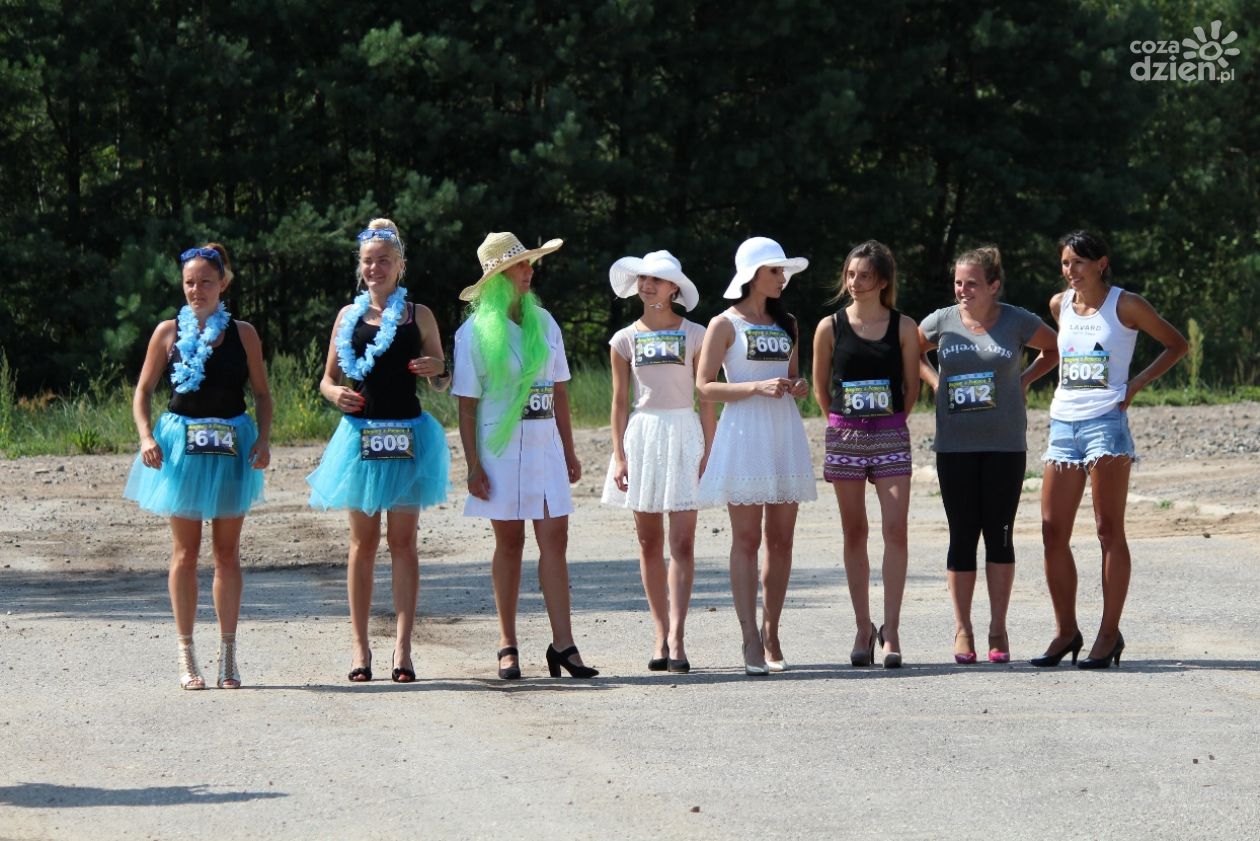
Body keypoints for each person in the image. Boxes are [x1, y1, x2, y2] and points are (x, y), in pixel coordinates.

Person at [1035, 230, 1187, 669]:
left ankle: (1108, 633)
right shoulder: (1059, 304)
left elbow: (1177, 344)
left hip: (1106, 424)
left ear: (1101, 263)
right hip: (1063, 425)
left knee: (1107, 530)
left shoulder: (1127, 304)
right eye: (1065, 263)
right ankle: (1066, 631)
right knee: (1051, 532)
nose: (1070, 271)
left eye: (1078, 263)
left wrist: (1136, 383)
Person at [307, 219, 451, 684]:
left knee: (403, 544)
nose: (375, 268)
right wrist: (335, 394)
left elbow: (443, 378)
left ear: (400, 265)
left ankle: (403, 648)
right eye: (368, 261)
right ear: (360, 266)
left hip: (408, 435)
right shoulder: (347, 317)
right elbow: (327, 380)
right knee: (362, 544)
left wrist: (437, 368)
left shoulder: (419, 315)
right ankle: (360, 646)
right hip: (360, 438)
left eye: (384, 260)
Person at [451, 231, 598, 680]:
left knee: (555, 540)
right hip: (499, 452)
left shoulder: (546, 323)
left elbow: (560, 391)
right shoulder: (473, 333)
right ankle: (507, 644)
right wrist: (472, 465)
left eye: (529, 263)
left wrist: (570, 450)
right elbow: (466, 403)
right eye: (517, 265)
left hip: (544, 447)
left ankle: (563, 644)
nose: (527, 271)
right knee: (509, 543)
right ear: (496, 277)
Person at [125, 242, 272, 690]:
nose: (196, 290)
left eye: (206, 281)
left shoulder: (244, 334)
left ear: (223, 283)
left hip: (231, 445)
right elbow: (142, 392)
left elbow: (262, 394)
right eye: (189, 282)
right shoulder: (167, 332)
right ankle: (187, 656)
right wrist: (146, 436)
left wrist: (264, 439)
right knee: (185, 553)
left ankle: (228, 655)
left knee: (226, 554)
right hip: (181, 448)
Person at [918, 246, 1058, 665]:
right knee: (962, 536)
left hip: (1004, 445)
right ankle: (963, 629)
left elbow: (1054, 348)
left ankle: (998, 627)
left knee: (999, 535)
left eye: (972, 284)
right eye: (958, 283)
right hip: (955, 445)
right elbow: (910, 350)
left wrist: (1023, 380)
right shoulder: (941, 321)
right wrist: (935, 381)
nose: (963, 290)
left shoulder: (1017, 320)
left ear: (994, 286)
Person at [696, 236, 816, 675]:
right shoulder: (723, 323)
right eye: (774, 271)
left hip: (783, 432)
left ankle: (772, 633)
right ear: (751, 275)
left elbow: (792, 376)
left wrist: (798, 386)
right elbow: (705, 386)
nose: (782, 278)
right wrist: (754, 387)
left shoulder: (790, 323)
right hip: (744, 433)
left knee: (782, 539)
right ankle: (749, 638)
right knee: (746, 540)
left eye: (783, 271)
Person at [601, 250, 715, 674]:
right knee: (649, 543)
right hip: (643, 437)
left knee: (682, 543)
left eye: (657, 279)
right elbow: (618, 402)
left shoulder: (698, 334)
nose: (648, 285)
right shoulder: (623, 339)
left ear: (674, 288)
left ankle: (679, 636)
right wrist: (619, 455)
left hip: (685, 433)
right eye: (643, 279)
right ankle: (659, 633)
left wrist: (710, 449)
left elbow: (706, 397)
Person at [811, 240, 919, 668]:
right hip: (846, 437)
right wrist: (840, 424)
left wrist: (891, 422)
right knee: (854, 532)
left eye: (865, 276)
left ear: (884, 282)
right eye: (851, 274)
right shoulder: (829, 326)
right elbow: (821, 387)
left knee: (896, 530)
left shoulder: (904, 326)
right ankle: (862, 627)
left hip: (891, 435)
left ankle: (892, 630)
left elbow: (911, 387)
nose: (855, 283)